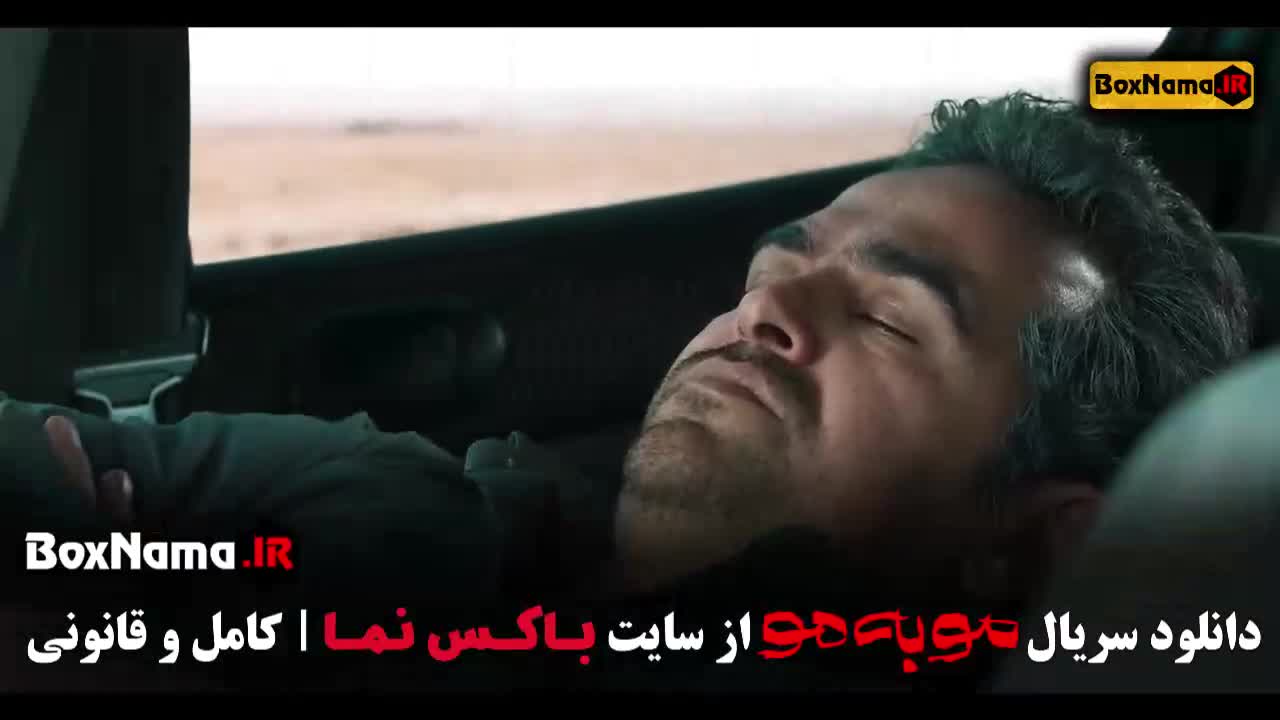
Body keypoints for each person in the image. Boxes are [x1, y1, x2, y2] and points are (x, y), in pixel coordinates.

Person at [0, 92, 1253, 690]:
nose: (760, 313)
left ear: (1037, 543)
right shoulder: (400, 501)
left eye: (885, 316)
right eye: (770, 275)